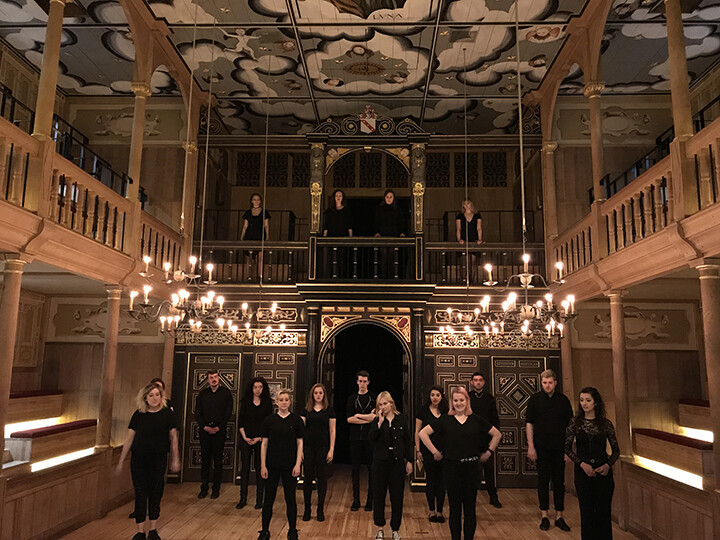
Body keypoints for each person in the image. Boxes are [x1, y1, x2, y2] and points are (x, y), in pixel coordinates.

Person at [419, 387, 501, 540]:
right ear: (451, 402)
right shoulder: (445, 420)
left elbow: (497, 434)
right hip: (452, 469)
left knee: (470, 509)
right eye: (455, 400)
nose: (458, 403)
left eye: (461, 400)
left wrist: (489, 452)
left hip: (472, 469)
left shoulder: (476, 419)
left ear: (467, 401)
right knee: (455, 509)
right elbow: (422, 433)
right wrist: (435, 452)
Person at [116, 383, 180, 540]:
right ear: (145, 397)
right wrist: (121, 460)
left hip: (158, 458)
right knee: (140, 492)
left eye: (157, 394)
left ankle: (153, 529)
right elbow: (129, 438)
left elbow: (173, 439)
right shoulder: (138, 414)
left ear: (161, 396)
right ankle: (139, 531)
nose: (154, 398)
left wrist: (175, 459)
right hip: (139, 458)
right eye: (151, 395)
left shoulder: (167, 414)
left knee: (155, 492)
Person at [565, 387, 619, 540]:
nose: (584, 403)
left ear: (596, 402)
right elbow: (567, 448)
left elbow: (616, 451)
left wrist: (608, 465)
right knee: (587, 514)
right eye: (582, 400)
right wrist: (582, 464)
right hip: (583, 472)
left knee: (603, 514)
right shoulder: (575, 423)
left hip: (603, 473)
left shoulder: (605, 424)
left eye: (588, 400)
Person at [526, 369, 574, 532]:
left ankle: (559, 515)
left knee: (559, 482)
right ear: (541, 383)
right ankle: (544, 515)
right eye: (544, 383)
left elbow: (570, 427)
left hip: (560, 448)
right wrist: (531, 446)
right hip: (541, 447)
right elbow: (529, 423)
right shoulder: (535, 400)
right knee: (543, 481)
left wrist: (569, 449)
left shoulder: (563, 400)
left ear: (555, 383)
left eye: (550, 382)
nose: (547, 385)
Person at [258, 389, 304, 540]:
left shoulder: (296, 420)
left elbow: (300, 443)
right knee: (268, 499)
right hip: (272, 465)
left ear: (290, 402)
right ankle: (264, 531)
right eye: (281, 400)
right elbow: (264, 444)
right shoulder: (269, 421)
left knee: (290, 499)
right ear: (276, 402)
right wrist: (263, 466)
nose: (284, 402)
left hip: (289, 465)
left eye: (286, 400)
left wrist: (298, 464)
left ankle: (292, 530)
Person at [369, 391, 413, 540]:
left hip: (397, 462)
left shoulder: (401, 419)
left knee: (396, 496)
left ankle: (395, 529)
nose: (383, 407)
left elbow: (407, 440)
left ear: (391, 403)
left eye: (385, 404)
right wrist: (379, 423)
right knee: (379, 495)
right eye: (380, 405)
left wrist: (410, 461)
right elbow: (371, 439)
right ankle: (379, 528)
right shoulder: (376, 421)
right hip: (380, 462)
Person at [194, 369, 233, 499]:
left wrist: (219, 427)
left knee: (217, 460)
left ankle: (216, 489)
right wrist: (204, 426)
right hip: (205, 430)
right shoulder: (203, 394)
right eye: (211, 377)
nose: (214, 379)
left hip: (219, 431)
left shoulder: (226, 393)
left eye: (216, 377)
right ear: (208, 379)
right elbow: (197, 413)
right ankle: (204, 488)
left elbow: (228, 412)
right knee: (205, 460)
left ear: (219, 378)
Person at [237, 377, 274, 510]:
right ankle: (242, 498)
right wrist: (245, 437)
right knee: (245, 469)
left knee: (260, 469)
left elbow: (268, 422)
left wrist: (260, 438)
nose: (257, 390)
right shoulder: (246, 402)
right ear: (251, 388)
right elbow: (240, 421)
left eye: (260, 387)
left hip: (261, 440)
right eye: (255, 387)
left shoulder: (267, 403)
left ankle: (259, 500)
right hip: (246, 438)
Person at [301, 383, 336, 522]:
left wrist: (331, 449)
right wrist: (301, 450)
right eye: (316, 393)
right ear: (312, 395)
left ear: (324, 394)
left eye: (320, 393)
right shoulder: (306, 410)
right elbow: (301, 431)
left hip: (323, 447)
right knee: (308, 478)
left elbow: (332, 430)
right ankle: (307, 509)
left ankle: (320, 509)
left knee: (322, 479)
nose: (318, 395)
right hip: (308, 447)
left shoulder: (329, 410)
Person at [467, 372, 501, 508]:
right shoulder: (467, 398)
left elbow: (494, 419)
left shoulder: (489, 398)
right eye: (475, 380)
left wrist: (494, 436)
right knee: (471, 472)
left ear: (484, 382)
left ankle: (493, 497)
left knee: (489, 471)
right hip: (471, 439)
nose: (478, 382)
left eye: (480, 380)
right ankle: (470, 499)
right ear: (471, 382)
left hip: (487, 439)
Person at [415, 385, 448, 524]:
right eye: (432, 395)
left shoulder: (446, 411)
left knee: (442, 482)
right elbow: (417, 431)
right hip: (428, 450)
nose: (435, 398)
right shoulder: (422, 411)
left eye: (437, 395)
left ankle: (440, 511)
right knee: (431, 481)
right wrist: (418, 450)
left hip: (443, 451)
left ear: (442, 396)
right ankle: (431, 510)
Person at [346, 370, 377, 511]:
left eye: (365, 381)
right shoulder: (352, 398)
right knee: (355, 469)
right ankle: (356, 499)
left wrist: (358, 416)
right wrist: (366, 417)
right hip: (355, 438)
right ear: (357, 382)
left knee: (371, 469)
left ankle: (370, 500)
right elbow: (349, 419)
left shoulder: (373, 398)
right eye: (360, 381)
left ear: (368, 382)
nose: (362, 384)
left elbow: (375, 418)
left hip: (370, 438)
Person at [374, 189, 406, 278]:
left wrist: (401, 232)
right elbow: (377, 221)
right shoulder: (379, 209)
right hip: (383, 236)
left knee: (393, 258)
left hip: (394, 236)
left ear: (393, 198)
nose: (389, 199)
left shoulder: (397, 209)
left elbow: (401, 222)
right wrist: (377, 232)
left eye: (390, 197)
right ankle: (383, 277)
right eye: (387, 197)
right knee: (383, 258)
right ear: (384, 198)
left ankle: (392, 277)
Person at [240, 193, 271, 280]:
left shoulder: (264, 212)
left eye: (258, 199)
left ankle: (259, 276)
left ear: (260, 201)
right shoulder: (247, 213)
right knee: (248, 259)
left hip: (260, 236)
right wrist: (241, 238)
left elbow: (266, 225)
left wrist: (267, 237)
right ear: (251, 201)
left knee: (260, 258)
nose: (256, 201)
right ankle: (248, 276)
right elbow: (245, 226)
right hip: (249, 236)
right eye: (254, 199)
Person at [323, 189, 353, 277]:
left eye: (340, 196)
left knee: (341, 258)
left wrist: (350, 236)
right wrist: (324, 237)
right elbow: (326, 225)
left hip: (342, 236)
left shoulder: (346, 210)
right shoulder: (329, 211)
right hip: (332, 236)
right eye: (337, 196)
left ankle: (341, 276)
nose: (338, 198)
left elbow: (349, 224)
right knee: (331, 257)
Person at [455, 199, 482, 282]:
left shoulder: (477, 215)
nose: (466, 205)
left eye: (468, 203)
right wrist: (459, 239)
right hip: (464, 239)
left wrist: (480, 239)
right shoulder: (460, 215)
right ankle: (463, 279)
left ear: (471, 204)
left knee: (473, 262)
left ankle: (471, 280)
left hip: (473, 239)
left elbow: (479, 228)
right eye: (465, 204)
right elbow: (458, 229)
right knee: (464, 262)